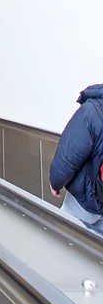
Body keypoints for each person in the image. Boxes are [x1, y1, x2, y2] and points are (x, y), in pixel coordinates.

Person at [49, 84, 103, 229]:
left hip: (87, 198)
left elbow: (69, 155)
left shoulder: (91, 112)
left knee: (65, 234)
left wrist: (55, 182)